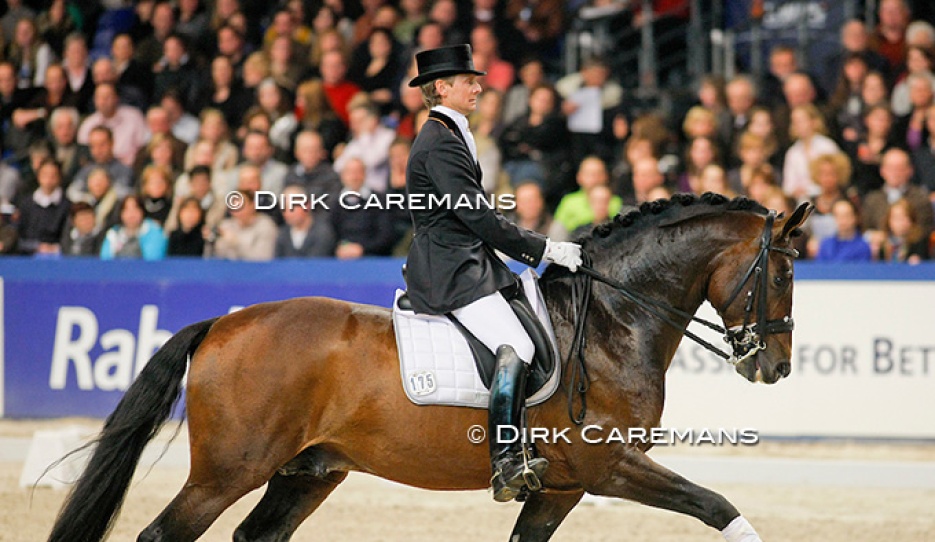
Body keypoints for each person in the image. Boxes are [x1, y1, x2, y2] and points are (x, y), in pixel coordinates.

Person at [404, 44, 582, 503]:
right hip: (451, 268)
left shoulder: (451, 131)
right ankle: (506, 458)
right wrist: (543, 248)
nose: (478, 87)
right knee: (518, 343)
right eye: (469, 81)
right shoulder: (439, 139)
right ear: (441, 87)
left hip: (469, 258)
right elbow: (478, 217)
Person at [275, 184, 336, 258]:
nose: (287, 213)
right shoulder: (282, 234)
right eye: (283, 208)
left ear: (307, 205)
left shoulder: (322, 232)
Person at [100, 195, 168, 260]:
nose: (131, 213)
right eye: (126, 209)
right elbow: (105, 261)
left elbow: (153, 260)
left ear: (142, 211)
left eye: (135, 208)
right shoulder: (113, 233)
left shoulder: (154, 231)